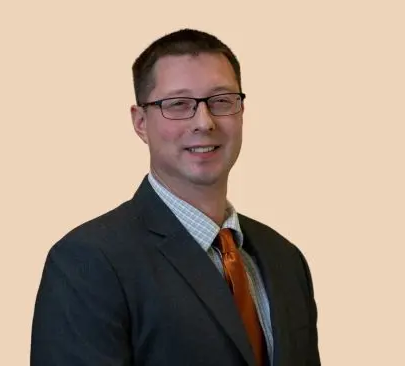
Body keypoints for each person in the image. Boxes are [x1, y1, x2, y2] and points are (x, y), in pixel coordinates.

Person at [30, 28, 321, 366]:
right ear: (141, 123)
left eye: (222, 101)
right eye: (178, 104)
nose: (204, 121)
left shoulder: (285, 258)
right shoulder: (88, 262)